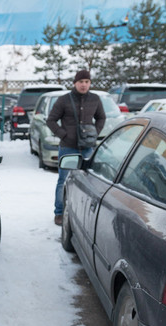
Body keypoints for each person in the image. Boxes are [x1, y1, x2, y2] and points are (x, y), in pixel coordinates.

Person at [47, 69, 105, 226]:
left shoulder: (95, 99)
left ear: (90, 83)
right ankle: (59, 212)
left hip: (88, 148)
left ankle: (83, 211)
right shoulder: (64, 100)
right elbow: (51, 120)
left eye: (87, 82)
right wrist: (64, 135)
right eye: (81, 82)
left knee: (89, 181)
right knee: (63, 180)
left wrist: (95, 133)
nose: (84, 85)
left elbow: (101, 118)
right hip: (68, 148)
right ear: (75, 83)